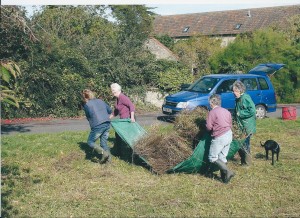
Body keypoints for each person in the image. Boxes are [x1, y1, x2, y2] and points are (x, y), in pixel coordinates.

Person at [206, 94, 235, 183]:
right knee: (222, 157)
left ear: (211, 103)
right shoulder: (226, 111)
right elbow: (230, 124)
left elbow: (209, 127)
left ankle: (228, 171)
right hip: (229, 134)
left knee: (212, 157)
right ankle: (225, 179)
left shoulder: (212, 112)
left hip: (220, 136)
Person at [82, 89, 112, 164]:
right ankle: (109, 161)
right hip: (107, 123)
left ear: (85, 98)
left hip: (98, 125)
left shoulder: (87, 105)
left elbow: (89, 117)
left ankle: (103, 153)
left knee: (90, 142)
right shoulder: (101, 101)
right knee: (104, 143)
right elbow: (110, 110)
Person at [232, 80, 256, 166]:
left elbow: (253, 110)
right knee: (241, 144)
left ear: (240, 90)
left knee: (245, 144)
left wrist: (241, 113)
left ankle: (247, 163)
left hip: (247, 126)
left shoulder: (245, 98)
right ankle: (243, 161)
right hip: (241, 125)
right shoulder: (238, 99)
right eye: (233, 91)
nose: (233, 92)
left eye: (235, 91)